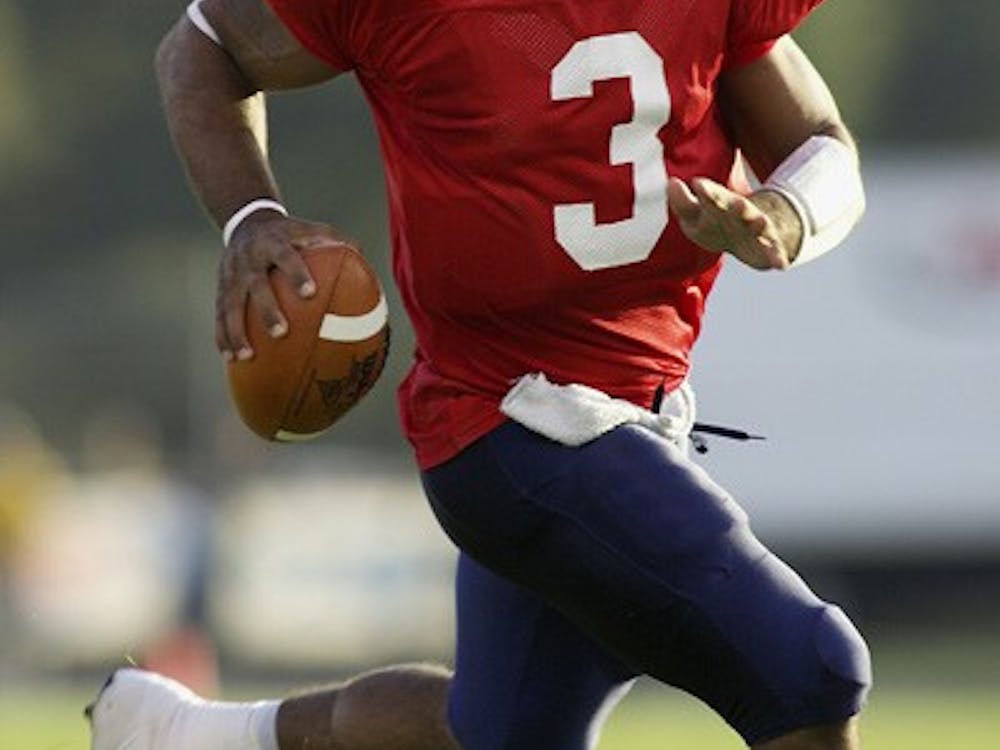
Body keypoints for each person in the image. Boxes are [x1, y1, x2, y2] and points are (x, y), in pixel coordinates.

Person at [89, 0, 872, 747]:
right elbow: (201, 46)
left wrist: (787, 212)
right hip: (514, 418)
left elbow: (822, 144)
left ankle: (179, 734)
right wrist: (251, 216)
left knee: (502, 734)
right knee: (810, 672)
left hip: (637, 410)